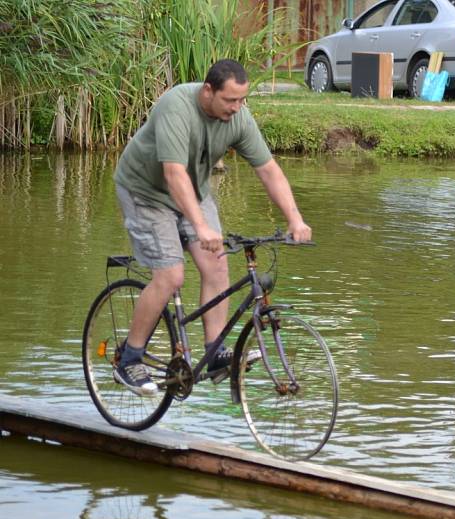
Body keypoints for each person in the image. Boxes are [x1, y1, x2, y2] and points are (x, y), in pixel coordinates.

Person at [113, 59, 311, 396]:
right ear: (208, 91)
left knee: (218, 264)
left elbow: (268, 170)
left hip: (193, 191)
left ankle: (214, 351)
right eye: (230, 100)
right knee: (171, 276)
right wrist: (201, 226)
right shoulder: (177, 106)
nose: (237, 108)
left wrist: (295, 218)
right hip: (145, 192)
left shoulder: (238, 120)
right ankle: (129, 358)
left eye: (241, 100)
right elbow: (174, 173)